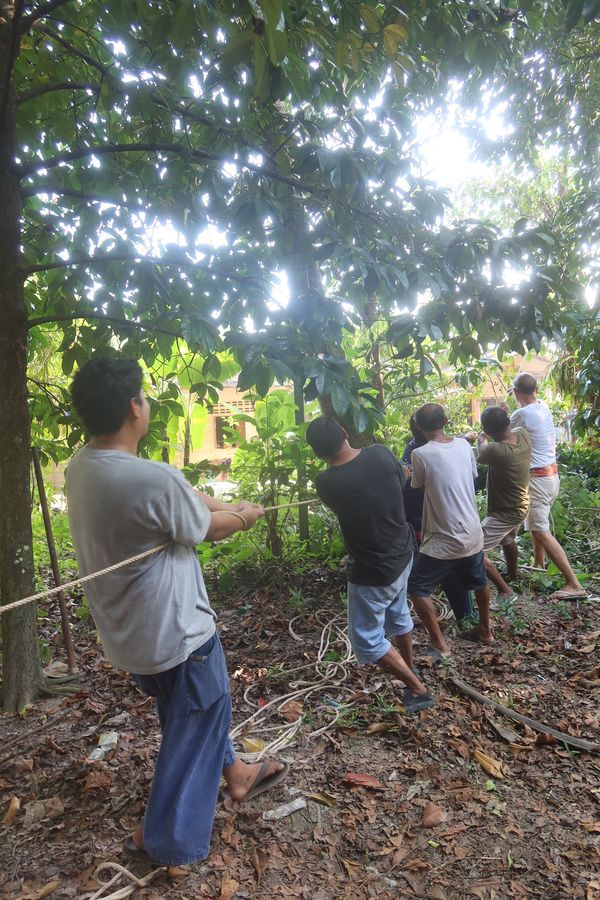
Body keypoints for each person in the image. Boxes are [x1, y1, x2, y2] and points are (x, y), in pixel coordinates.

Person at [65, 357, 288, 873]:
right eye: (143, 397)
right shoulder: (150, 478)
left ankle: (237, 774)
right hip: (178, 633)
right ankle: (165, 840)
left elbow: (182, 496)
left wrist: (228, 504)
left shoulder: (85, 466)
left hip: (130, 635)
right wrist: (245, 517)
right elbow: (208, 528)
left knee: (188, 714)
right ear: (133, 407)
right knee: (199, 716)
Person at [305, 417, 435, 714]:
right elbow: (400, 480)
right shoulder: (380, 453)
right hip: (403, 553)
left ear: (317, 452)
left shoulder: (326, 482)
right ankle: (409, 668)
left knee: (367, 641)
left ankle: (417, 688)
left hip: (374, 570)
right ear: (344, 432)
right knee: (398, 613)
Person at [407, 403, 495, 655]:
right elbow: (470, 476)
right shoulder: (464, 446)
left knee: (417, 587)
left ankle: (439, 643)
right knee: (479, 581)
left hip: (445, 537)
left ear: (418, 426)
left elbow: (418, 486)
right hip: (472, 530)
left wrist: (405, 475)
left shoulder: (420, 454)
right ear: (446, 420)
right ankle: (485, 630)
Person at [510, 373, 586, 600]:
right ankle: (538, 563)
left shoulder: (521, 414)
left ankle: (574, 584)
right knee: (536, 524)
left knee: (540, 530)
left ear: (516, 392)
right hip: (551, 476)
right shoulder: (543, 407)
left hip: (538, 480)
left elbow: (502, 434)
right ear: (536, 389)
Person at [402, 416, 474, 625]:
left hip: (433, 525)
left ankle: (465, 617)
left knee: (447, 573)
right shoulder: (418, 453)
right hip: (434, 523)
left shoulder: (415, 452)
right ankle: (466, 617)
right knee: (450, 572)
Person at [476, 406, 531, 602]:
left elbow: (481, 452)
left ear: (488, 430)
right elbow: (511, 428)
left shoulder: (496, 450)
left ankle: (505, 590)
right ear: (508, 422)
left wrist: (481, 437)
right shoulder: (522, 434)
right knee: (507, 539)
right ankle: (513, 575)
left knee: (472, 550)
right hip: (521, 505)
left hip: (505, 512)